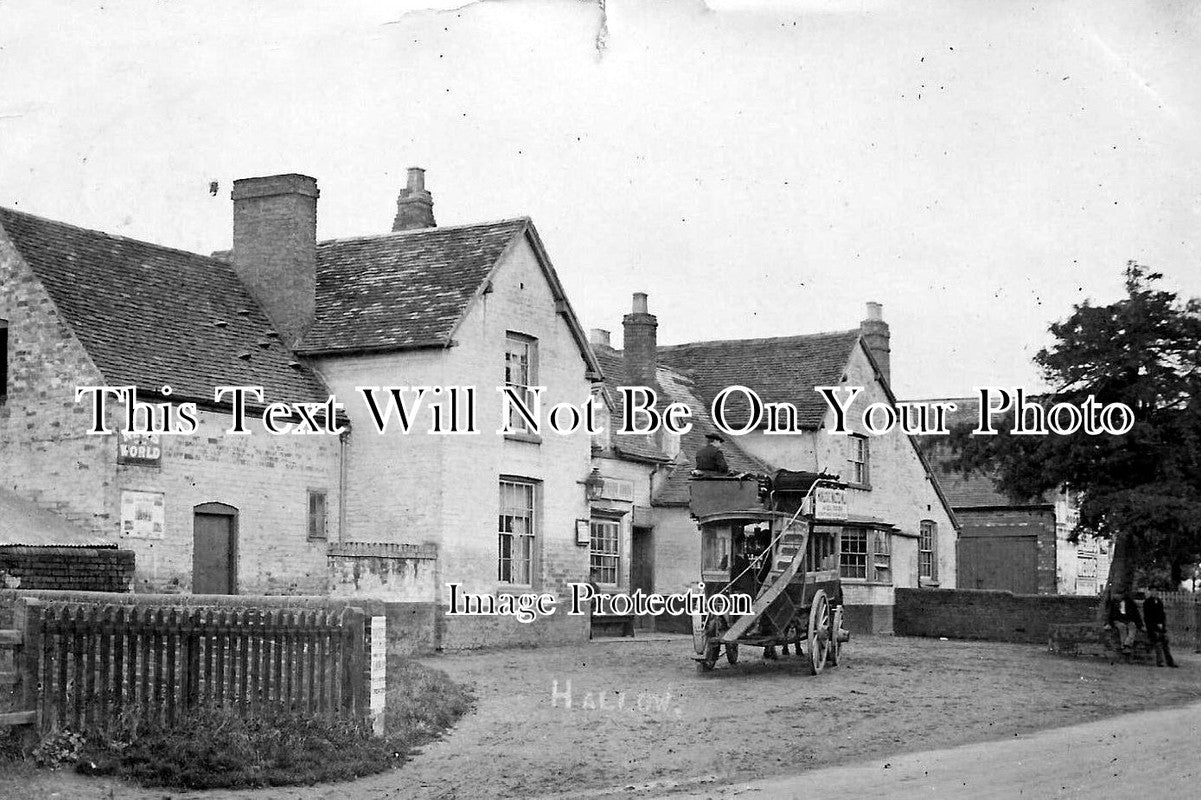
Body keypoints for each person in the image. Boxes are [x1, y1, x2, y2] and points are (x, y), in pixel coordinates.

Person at [1142, 589, 1179, 668]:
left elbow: (1162, 616)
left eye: (1156, 591)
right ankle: (1160, 661)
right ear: (1150, 592)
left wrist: (1162, 626)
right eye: (1153, 591)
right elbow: (1148, 618)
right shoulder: (1147, 603)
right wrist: (1155, 626)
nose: (1154, 593)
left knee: (1165, 641)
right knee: (1158, 641)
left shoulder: (1159, 602)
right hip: (1151, 627)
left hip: (1160, 627)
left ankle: (1170, 661)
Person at [1107, 589, 1144, 654]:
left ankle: (1127, 643)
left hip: (1128, 619)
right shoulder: (1114, 603)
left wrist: (1140, 625)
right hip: (1118, 620)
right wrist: (1109, 623)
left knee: (1132, 627)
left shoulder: (1129, 601)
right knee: (1122, 627)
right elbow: (1111, 614)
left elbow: (1136, 613)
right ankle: (1124, 646)